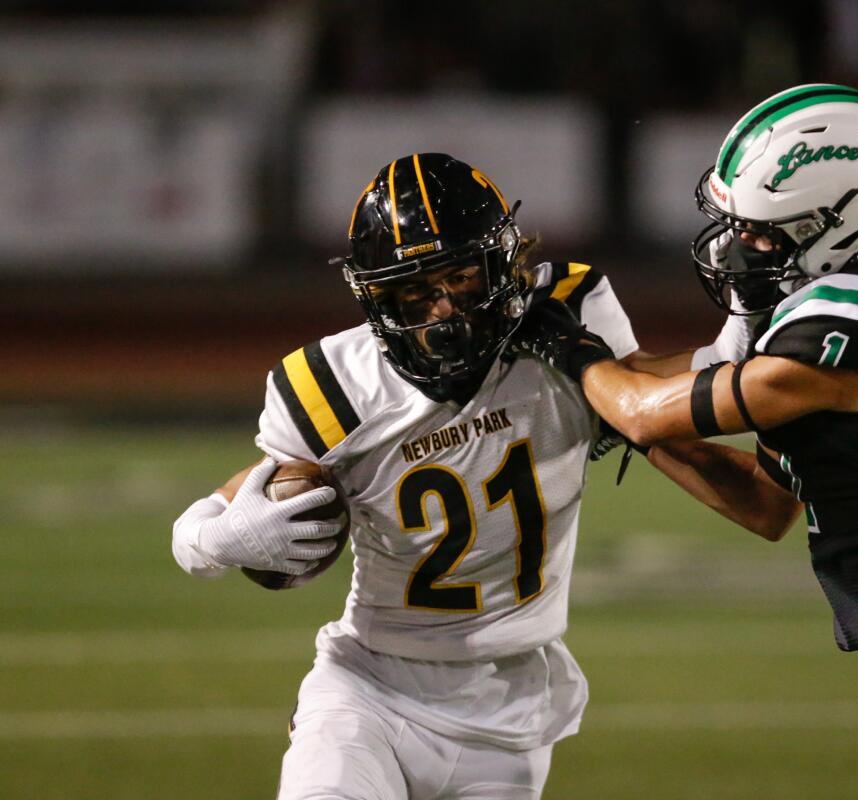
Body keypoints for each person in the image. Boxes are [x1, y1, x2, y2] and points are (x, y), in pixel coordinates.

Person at [515, 84, 858, 800]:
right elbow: (764, 505)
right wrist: (601, 391)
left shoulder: (853, 319)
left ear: (836, 225)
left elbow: (646, 410)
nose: (736, 246)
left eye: (761, 229)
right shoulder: (838, 297)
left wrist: (565, 346)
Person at [169, 153, 755, 800]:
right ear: (375, 297)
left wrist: (746, 334)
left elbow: (668, 400)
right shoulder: (336, 384)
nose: (443, 313)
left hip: (509, 715)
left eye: (460, 279)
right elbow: (263, 484)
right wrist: (204, 538)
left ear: (504, 263)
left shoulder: (568, 320)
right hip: (369, 692)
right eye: (413, 293)